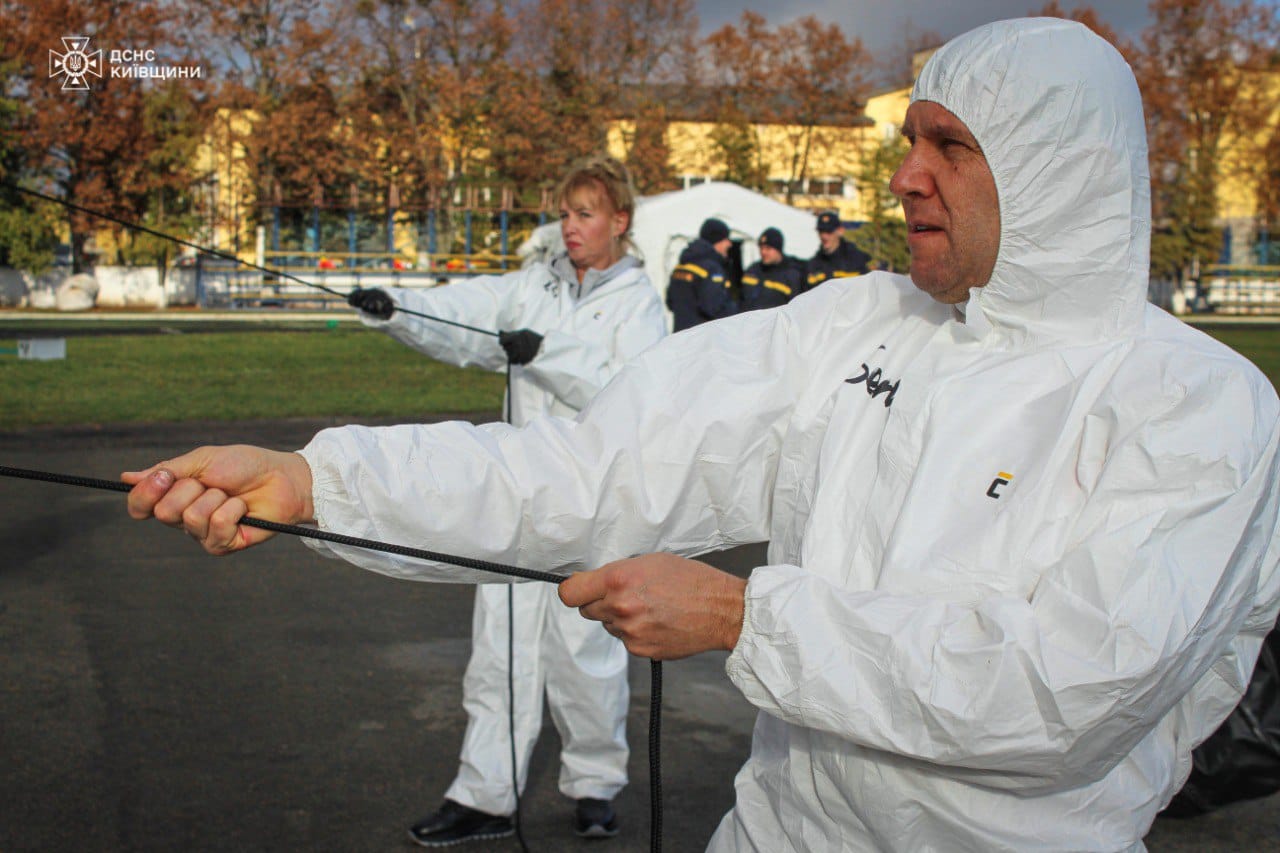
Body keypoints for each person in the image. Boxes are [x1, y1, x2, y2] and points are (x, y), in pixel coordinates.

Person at [124, 18, 1280, 852]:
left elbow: (1064, 694)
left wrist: (740, 615)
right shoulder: (854, 325)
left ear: (1054, 174)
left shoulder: (1193, 405)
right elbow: (587, 472)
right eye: (913, 137)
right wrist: (318, 479)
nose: (905, 173)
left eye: (950, 147)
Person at [346, 154, 667, 846]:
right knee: (499, 649)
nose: (571, 226)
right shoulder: (533, 286)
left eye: (585, 214)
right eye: (565, 212)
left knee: (587, 654)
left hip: (590, 508)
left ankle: (594, 784)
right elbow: (466, 309)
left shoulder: (641, 305)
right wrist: (397, 307)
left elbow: (628, 391)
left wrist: (543, 351)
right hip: (516, 498)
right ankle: (485, 794)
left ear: (620, 221)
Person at [665, 217, 736, 331]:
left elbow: (670, 302)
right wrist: (737, 310)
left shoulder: (681, 266)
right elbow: (714, 307)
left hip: (679, 336)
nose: (729, 244)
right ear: (717, 240)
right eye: (726, 239)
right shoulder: (711, 269)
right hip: (701, 339)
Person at [739, 227, 804, 311]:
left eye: (768, 248)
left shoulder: (791, 275)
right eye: (761, 248)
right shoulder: (752, 270)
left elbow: (795, 308)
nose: (763, 252)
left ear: (778, 250)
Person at [804, 210, 871, 291]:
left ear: (840, 231)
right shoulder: (813, 265)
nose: (824, 236)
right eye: (821, 231)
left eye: (829, 231)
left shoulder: (858, 260)